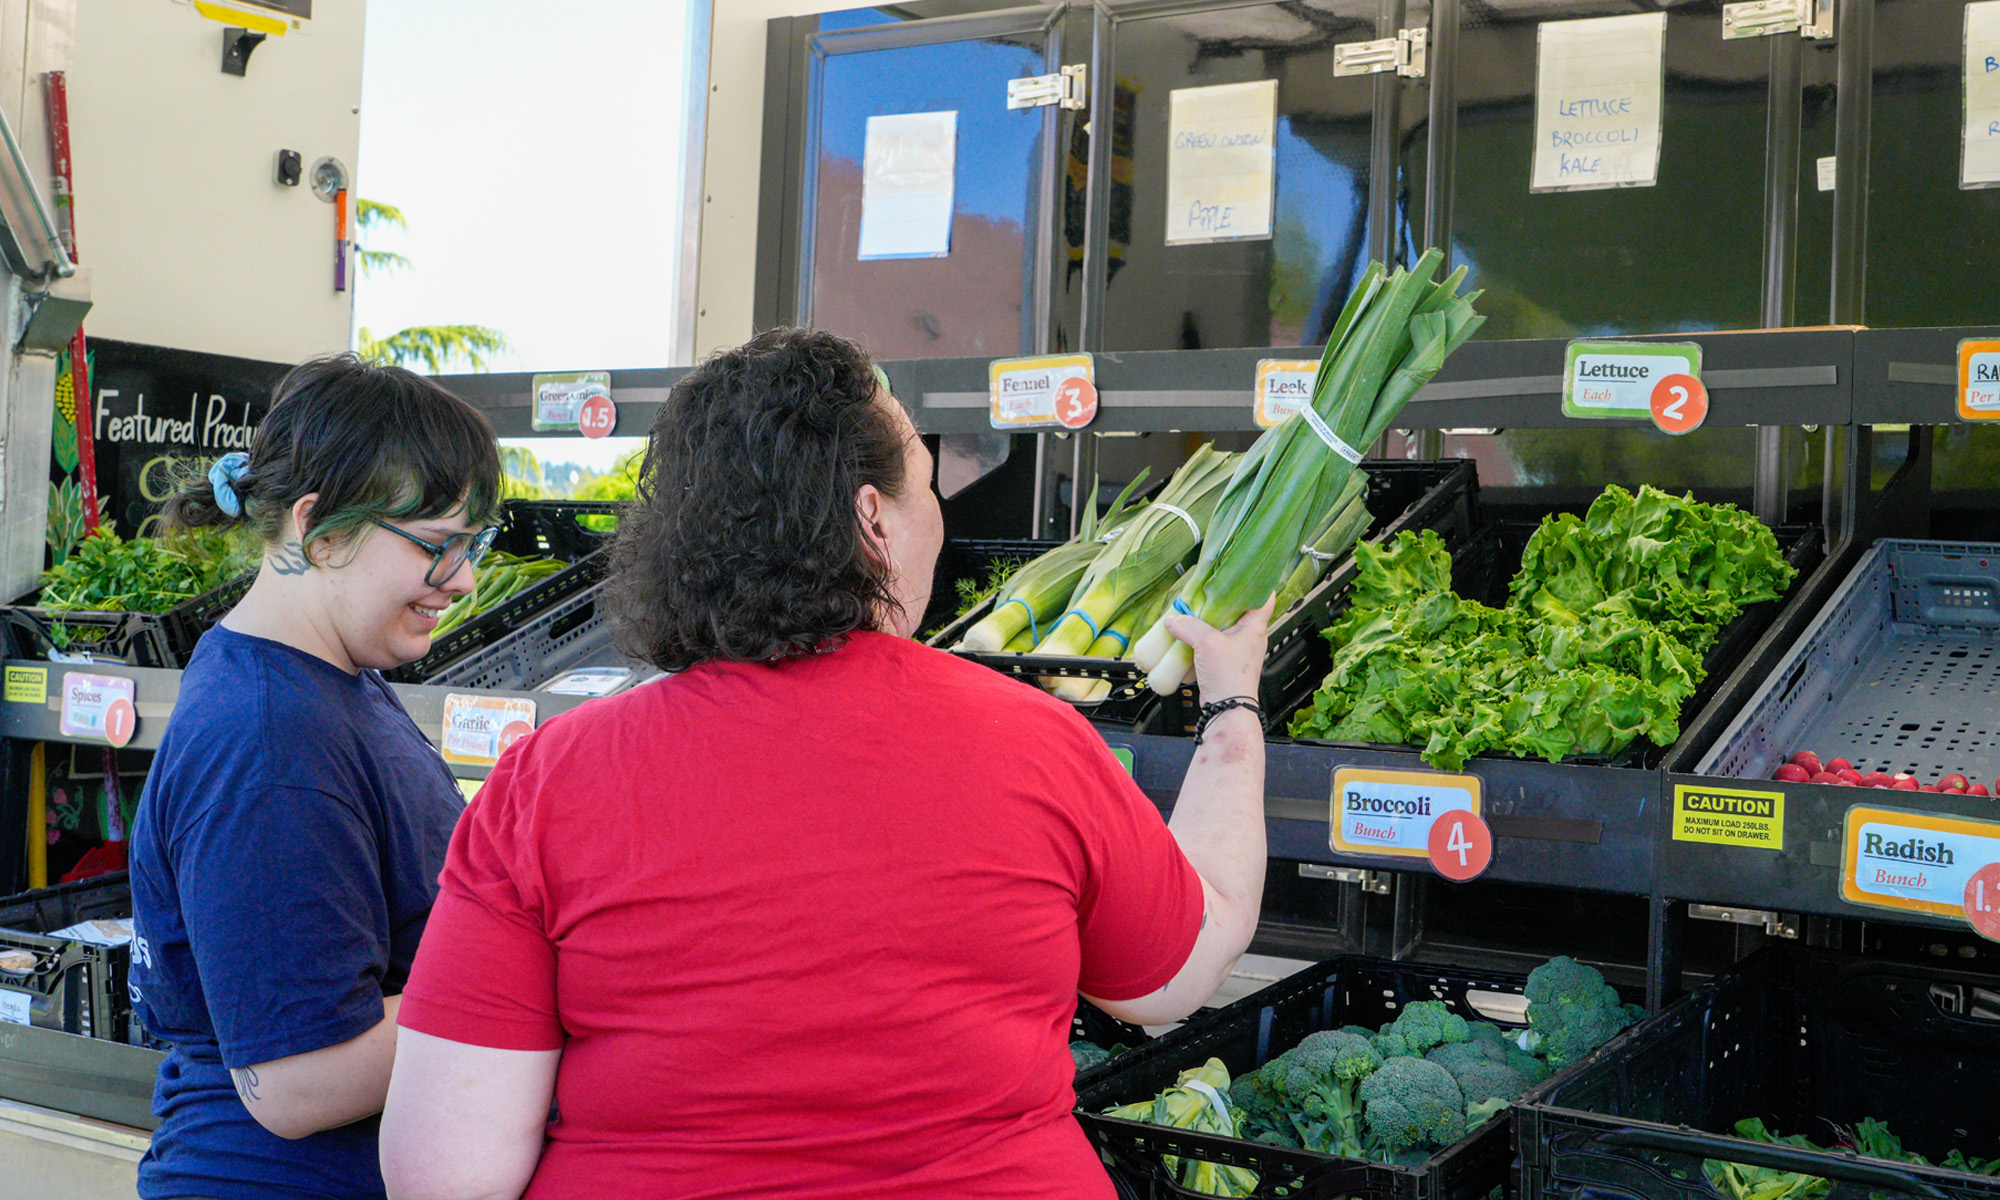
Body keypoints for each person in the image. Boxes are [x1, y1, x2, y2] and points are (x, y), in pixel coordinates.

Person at [379, 327, 1271, 1200]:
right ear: (872, 520)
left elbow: (448, 1174)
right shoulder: (1037, 742)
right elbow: (1174, 980)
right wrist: (1231, 707)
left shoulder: (544, 782)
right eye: (926, 481)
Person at [127, 355, 503, 1200]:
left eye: (473, 545)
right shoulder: (269, 744)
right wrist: (527, 983)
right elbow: (297, 1084)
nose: (463, 579)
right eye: (438, 546)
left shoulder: (329, 679)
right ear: (320, 530)